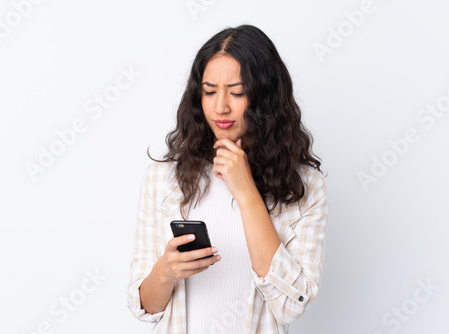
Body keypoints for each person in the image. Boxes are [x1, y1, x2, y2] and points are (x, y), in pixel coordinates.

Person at [126, 24, 328, 333]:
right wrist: (165, 272)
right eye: (209, 92)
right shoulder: (162, 179)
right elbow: (145, 307)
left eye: (237, 92)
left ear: (266, 98)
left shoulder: (305, 186)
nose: (220, 106)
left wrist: (246, 192)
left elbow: (291, 306)